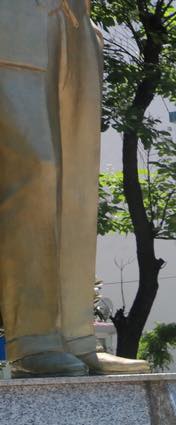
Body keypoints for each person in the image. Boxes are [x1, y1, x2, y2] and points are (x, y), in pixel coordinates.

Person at [1, 1, 147, 376]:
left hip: (71, 18)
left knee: (75, 183)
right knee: (34, 170)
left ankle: (75, 336)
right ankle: (32, 339)